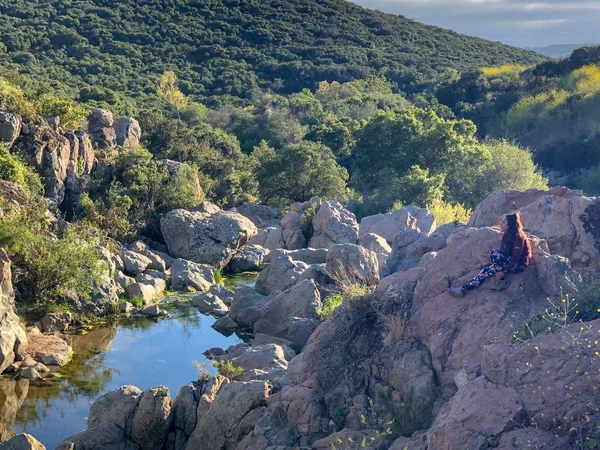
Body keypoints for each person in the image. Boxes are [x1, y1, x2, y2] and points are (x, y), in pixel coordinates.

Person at [448, 212, 531, 298]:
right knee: (487, 269)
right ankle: (463, 289)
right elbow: (504, 252)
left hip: (519, 264)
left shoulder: (518, 237)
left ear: (510, 225)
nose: (500, 224)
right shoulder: (507, 234)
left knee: (495, 256)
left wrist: (504, 272)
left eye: (503, 222)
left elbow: (515, 258)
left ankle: (502, 280)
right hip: (509, 261)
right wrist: (497, 266)